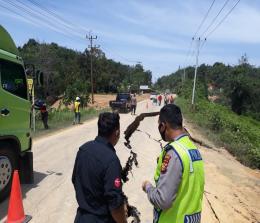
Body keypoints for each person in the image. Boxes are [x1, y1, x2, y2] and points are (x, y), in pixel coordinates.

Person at [142, 104, 205, 223]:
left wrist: (148, 187)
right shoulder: (192, 148)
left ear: (162, 126)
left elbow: (163, 200)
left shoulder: (174, 153)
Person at [72, 112, 127, 223]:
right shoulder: (111, 160)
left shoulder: (83, 149)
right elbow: (115, 204)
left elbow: (75, 179)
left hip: (81, 218)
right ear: (117, 132)